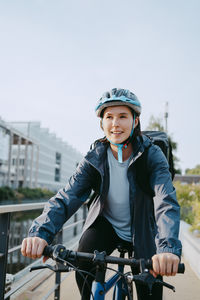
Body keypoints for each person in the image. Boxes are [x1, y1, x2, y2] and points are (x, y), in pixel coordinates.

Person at [21, 88, 182, 300]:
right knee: (82, 264)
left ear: (135, 121)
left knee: (150, 289)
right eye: (109, 117)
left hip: (144, 229)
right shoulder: (94, 157)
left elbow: (166, 201)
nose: (115, 123)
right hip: (107, 225)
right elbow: (66, 197)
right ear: (102, 123)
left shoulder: (152, 155)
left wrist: (168, 248)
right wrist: (39, 234)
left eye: (123, 116)